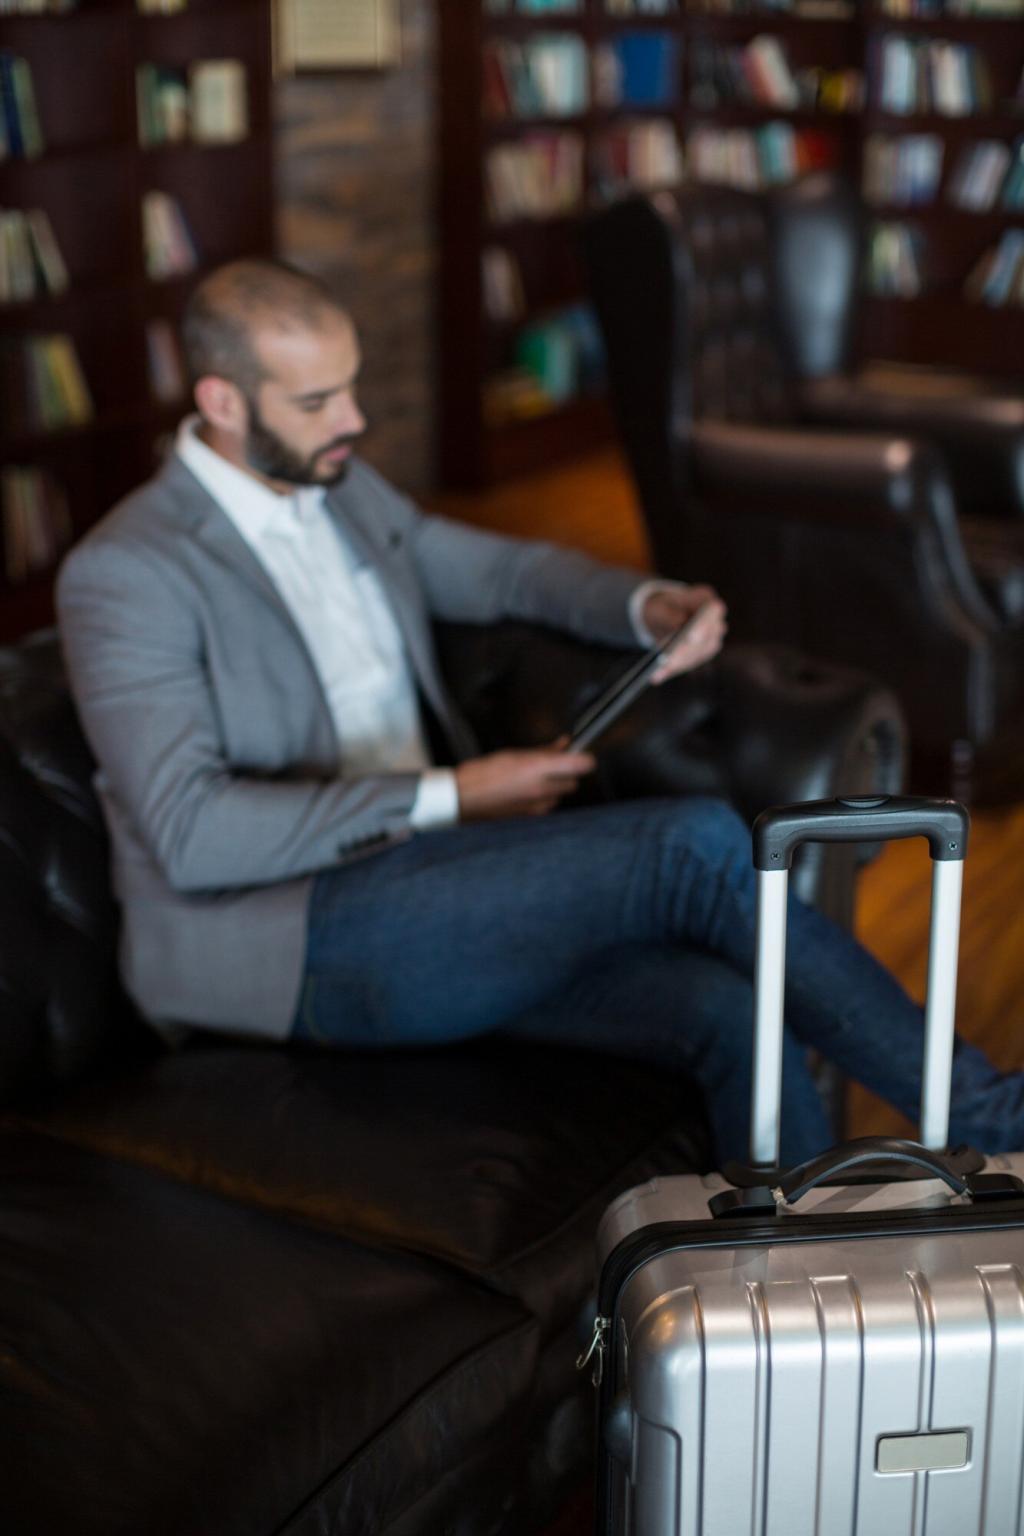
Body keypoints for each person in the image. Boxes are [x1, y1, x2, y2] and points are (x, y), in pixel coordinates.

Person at [56, 259, 1024, 1168]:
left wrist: (645, 605)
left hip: (432, 886)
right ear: (223, 403)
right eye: (316, 402)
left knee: (734, 1010)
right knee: (687, 843)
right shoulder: (128, 573)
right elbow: (191, 833)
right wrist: (454, 794)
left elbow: (504, 572)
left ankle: (804, 1278)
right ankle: (990, 1118)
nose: (353, 419)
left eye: (350, 387)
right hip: (288, 936)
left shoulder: (338, 486)